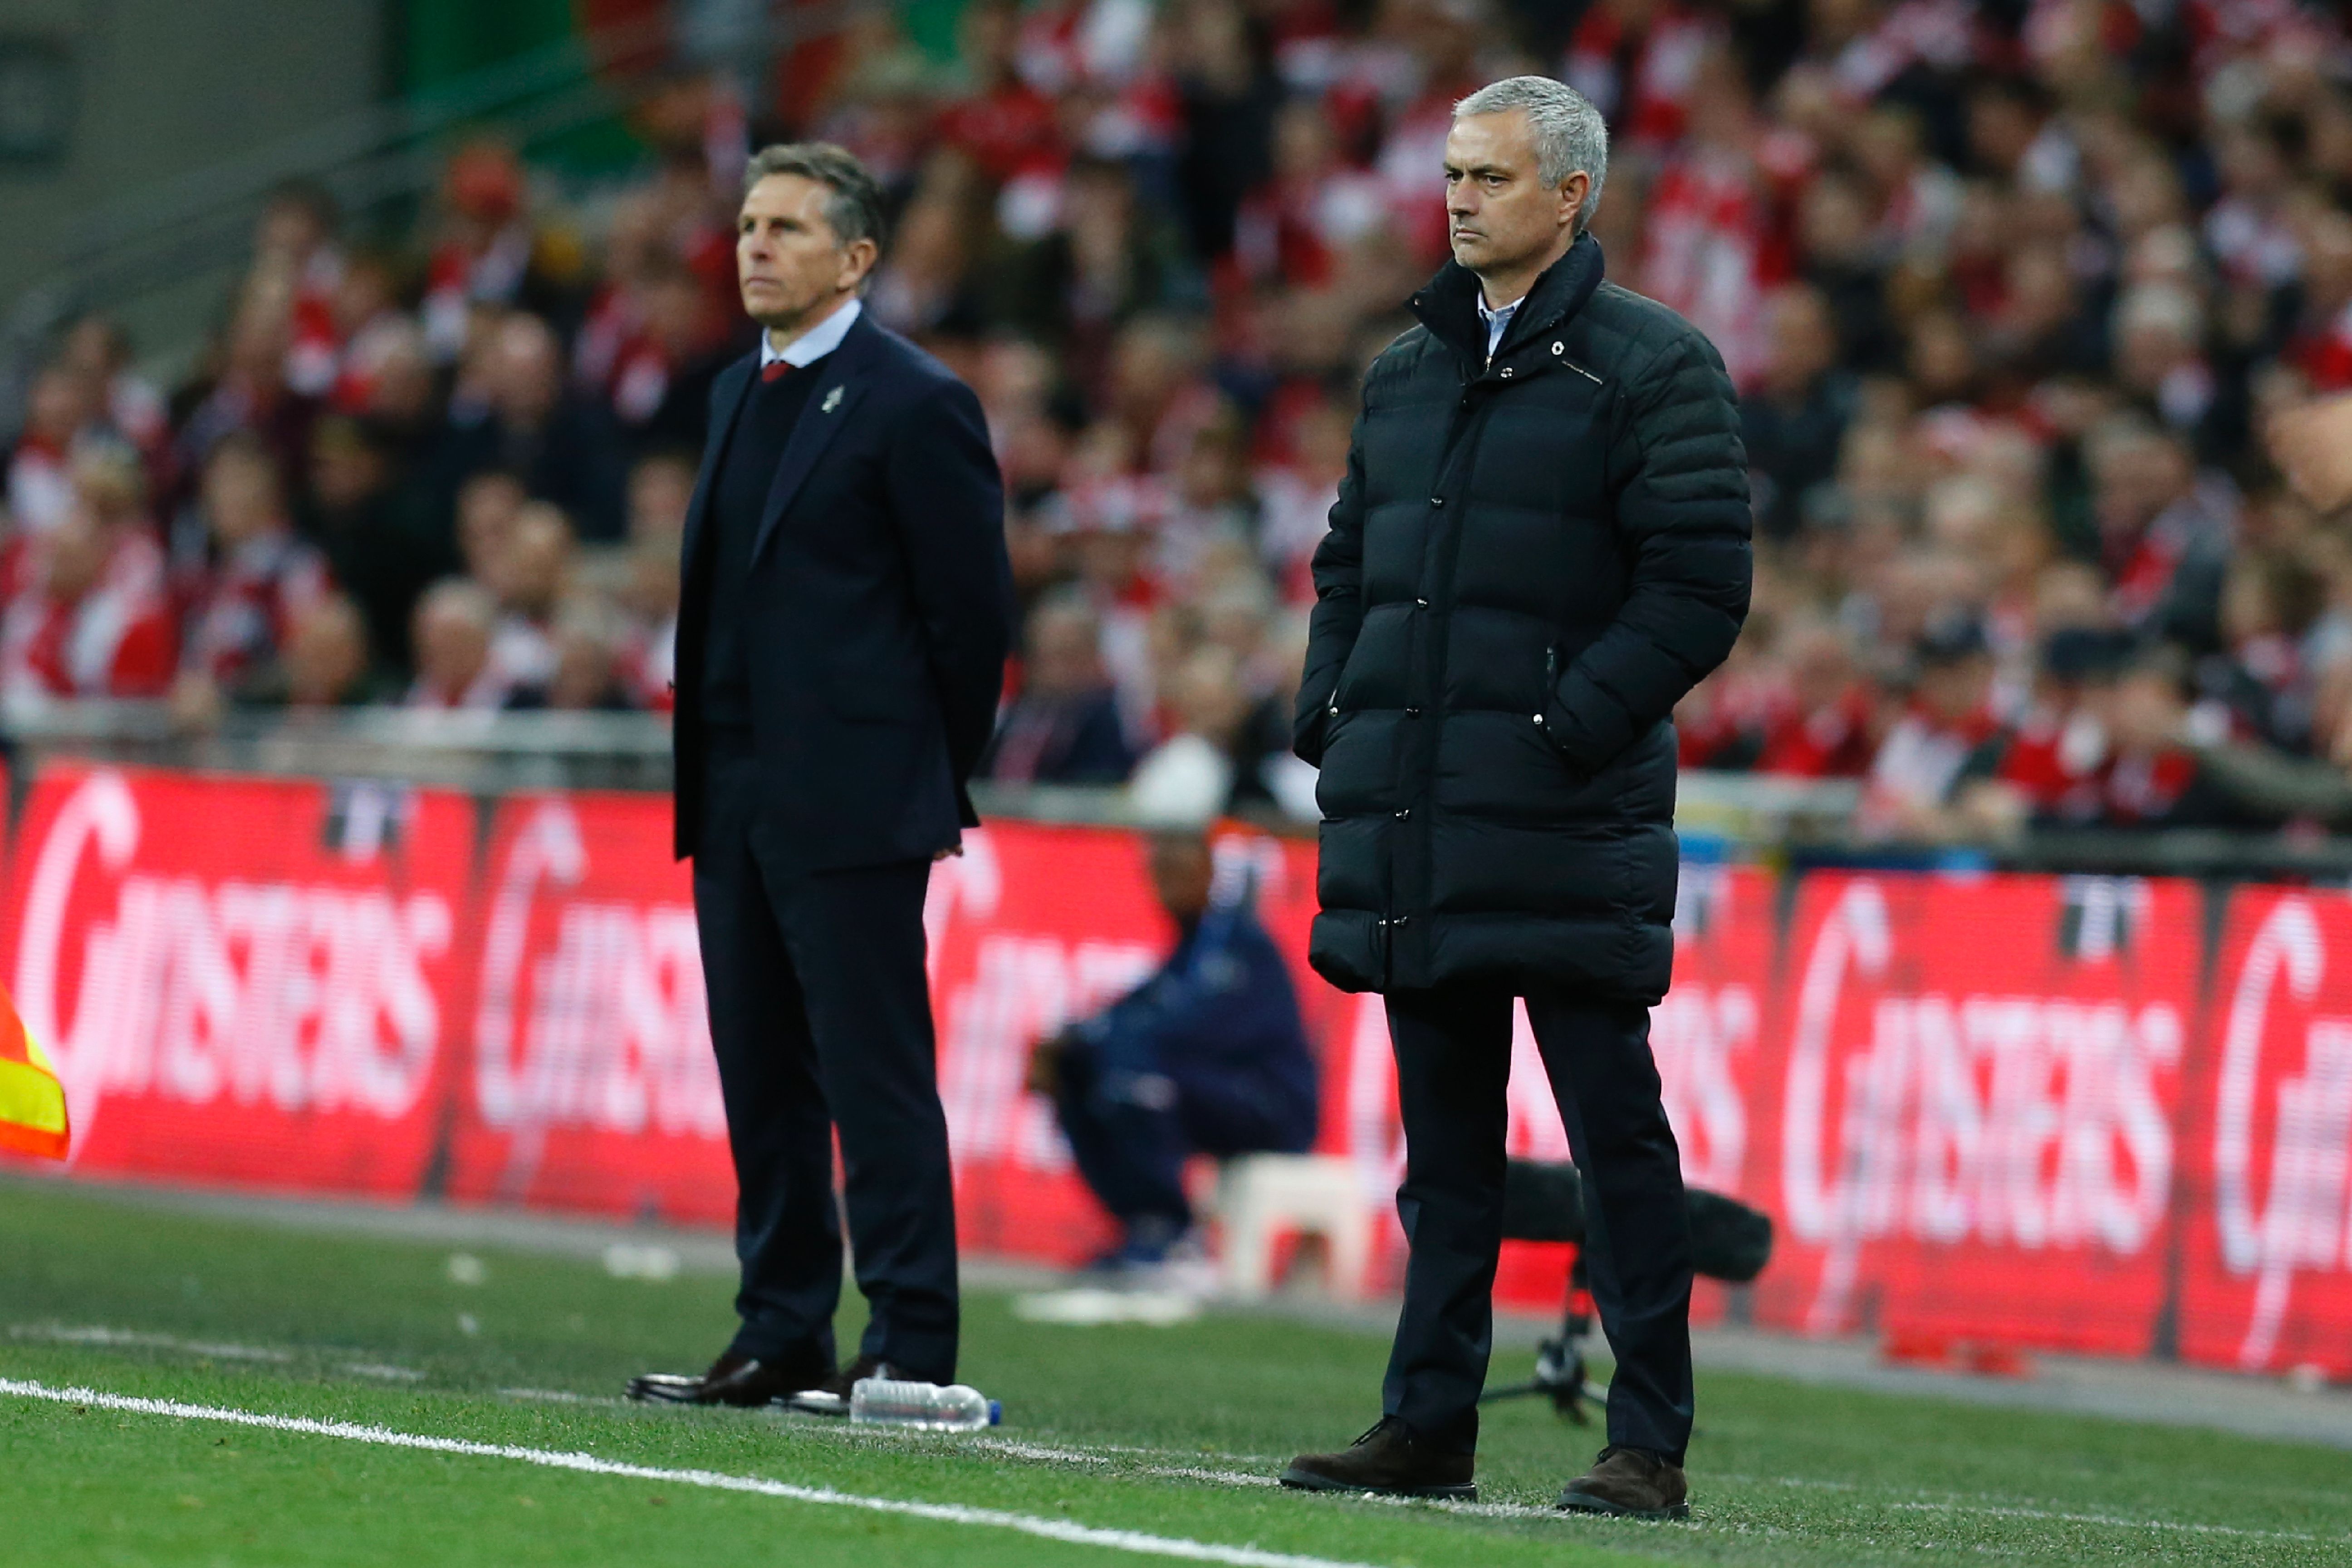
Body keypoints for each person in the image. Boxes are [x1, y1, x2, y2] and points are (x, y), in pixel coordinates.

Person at [1281, 77, 1749, 1519]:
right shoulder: (1406, 369)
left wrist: (1560, 729)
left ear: (1570, 196)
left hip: (1561, 813)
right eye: (1451, 174)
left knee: (1616, 1142)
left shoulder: (1654, 366)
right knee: (1447, 1155)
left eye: (1488, 177)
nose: (1459, 198)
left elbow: (1700, 589)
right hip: (1425, 815)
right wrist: (1334, 710)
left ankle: (1647, 1444)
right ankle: (1428, 1422)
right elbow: (1349, 565)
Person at [627, 143, 1014, 1412]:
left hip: (852, 799)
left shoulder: (916, 401)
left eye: (788, 227)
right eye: (749, 223)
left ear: (857, 258)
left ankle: (908, 1341)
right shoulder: (740, 393)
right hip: (733, 791)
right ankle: (782, 1325)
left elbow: (970, 624)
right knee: (763, 1072)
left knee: (871, 1073)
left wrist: (909, 771)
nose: (756, 245)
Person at [1026, 829, 1319, 1273]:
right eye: (1160, 874)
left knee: (1132, 1067)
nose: (1168, 885)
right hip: (1210, 1094)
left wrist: (1097, 1037)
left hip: (1272, 1106)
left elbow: (1187, 1030)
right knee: (1076, 1071)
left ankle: (1176, 1234)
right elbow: (1139, 1011)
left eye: (1181, 872)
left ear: (1208, 875)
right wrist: (1070, 1044)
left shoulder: (1240, 946)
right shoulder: (1189, 948)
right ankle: (1140, 1225)